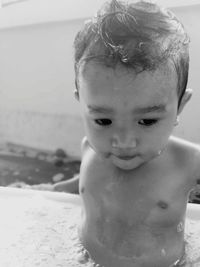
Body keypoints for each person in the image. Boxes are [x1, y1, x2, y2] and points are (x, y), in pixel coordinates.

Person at [32, 0, 199, 266]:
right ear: (82, 104)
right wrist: (49, 189)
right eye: (103, 120)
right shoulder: (90, 147)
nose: (123, 141)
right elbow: (82, 183)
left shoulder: (189, 162)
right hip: (84, 258)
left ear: (180, 106)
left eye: (146, 121)